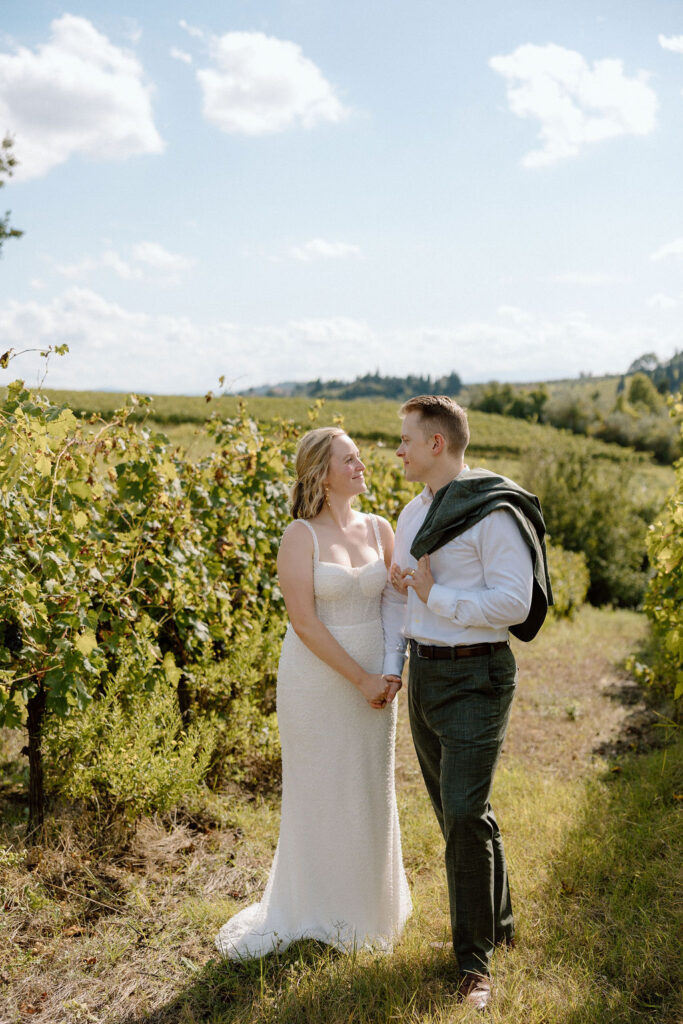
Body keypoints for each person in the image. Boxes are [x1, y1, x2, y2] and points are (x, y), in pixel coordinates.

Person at [215, 426, 411, 959]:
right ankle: (316, 909)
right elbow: (303, 622)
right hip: (317, 682)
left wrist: (392, 669)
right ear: (322, 474)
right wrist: (362, 678)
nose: (361, 466)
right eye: (349, 460)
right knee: (322, 790)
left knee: (369, 788)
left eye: (359, 459)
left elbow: (396, 605)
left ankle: (370, 910)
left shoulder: (380, 528)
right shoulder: (300, 535)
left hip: (377, 681)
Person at [383, 395, 552, 1012]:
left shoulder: (492, 512)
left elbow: (514, 603)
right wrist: (393, 662)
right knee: (462, 812)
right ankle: (500, 925)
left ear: (436, 444)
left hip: (477, 675)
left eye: (405, 438)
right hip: (425, 676)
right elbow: (402, 599)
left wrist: (438, 594)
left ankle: (474, 965)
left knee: (461, 813)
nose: (396, 449)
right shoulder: (409, 514)